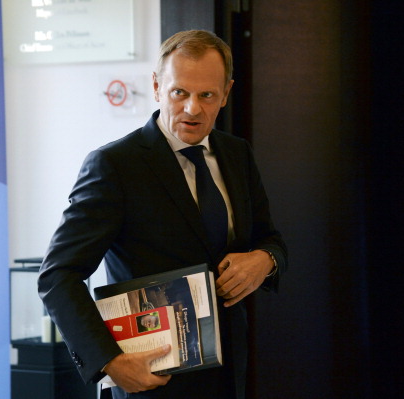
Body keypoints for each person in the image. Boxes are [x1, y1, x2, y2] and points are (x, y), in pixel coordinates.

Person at [38, 29, 287, 399]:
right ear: (157, 87)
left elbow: (271, 239)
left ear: (226, 93)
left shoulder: (237, 154)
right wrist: (109, 361)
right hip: (151, 378)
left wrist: (265, 261)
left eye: (207, 95)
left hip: (230, 373)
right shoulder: (115, 165)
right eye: (179, 93)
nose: (192, 108)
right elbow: (58, 276)